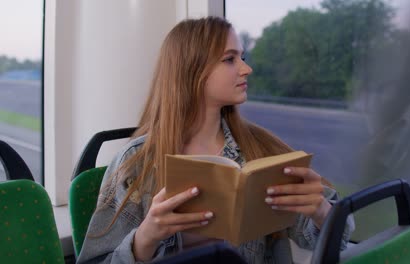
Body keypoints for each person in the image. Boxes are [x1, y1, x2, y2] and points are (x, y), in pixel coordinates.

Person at [77, 16, 354, 264]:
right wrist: (145, 239)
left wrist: (320, 210)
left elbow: (334, 238)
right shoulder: (135, 163)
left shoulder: (261, 149)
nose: (246, 69)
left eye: (242, 57)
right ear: (192, 71)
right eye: (230, 59)